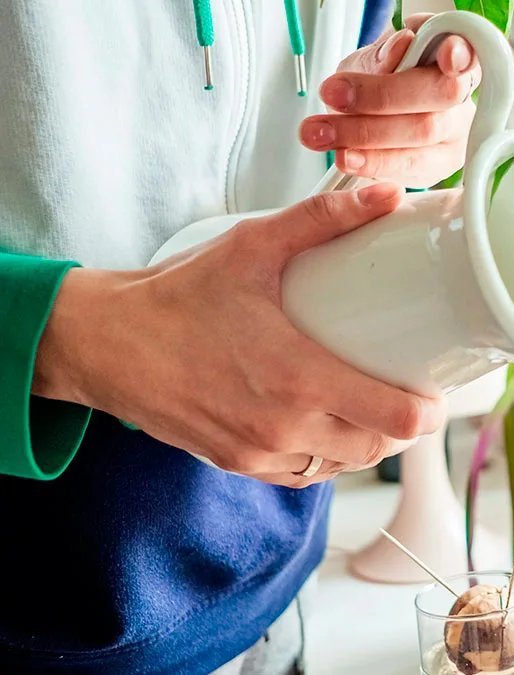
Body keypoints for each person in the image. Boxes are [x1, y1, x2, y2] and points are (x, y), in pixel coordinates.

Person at [0, 2, 480, 672]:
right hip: (40, 621)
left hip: (279, 583)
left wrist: (408, 123)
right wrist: (72, 339)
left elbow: (349, 70)